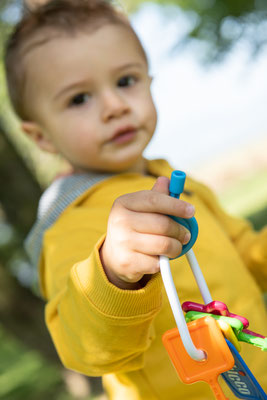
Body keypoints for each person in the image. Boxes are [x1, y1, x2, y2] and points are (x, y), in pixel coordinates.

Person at [4, 0, 267, 398]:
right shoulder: (68, 221)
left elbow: (244, 254)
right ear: (40, 136)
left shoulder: (176, 182)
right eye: (79, 99)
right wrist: (111, 273)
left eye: (126, 81)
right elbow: (85, 349)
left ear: (149, 81)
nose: (115, 106)